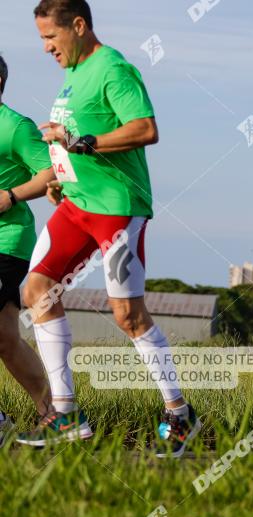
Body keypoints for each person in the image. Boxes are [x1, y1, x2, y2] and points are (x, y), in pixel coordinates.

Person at [18, 0, 201, 457]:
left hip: (118, 207)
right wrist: (61, 171)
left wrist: (85, 142)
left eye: (50, 38)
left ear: (78, 26)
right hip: (78, 203)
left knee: (127, 315)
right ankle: (66, 415)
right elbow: (76, 137)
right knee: (37, 290)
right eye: (42, 39)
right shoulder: (74, 74)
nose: (45, 48)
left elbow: (145, 128)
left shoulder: (113, 68)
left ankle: (180, 414)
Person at [0, 54, 56, 444]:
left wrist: (10, 195)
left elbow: (52, 171)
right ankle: (56, 417)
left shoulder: (15, 127)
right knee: (5, 338)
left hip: (6, 241)